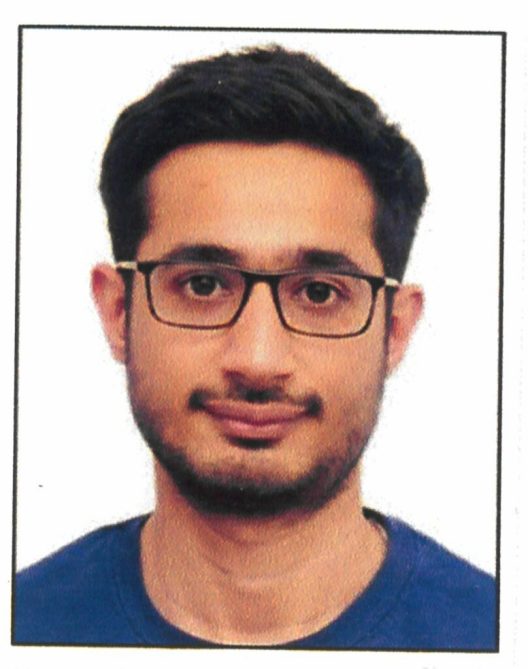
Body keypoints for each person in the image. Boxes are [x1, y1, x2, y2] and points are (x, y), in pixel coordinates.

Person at [14, 45, 495, 649]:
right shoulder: (22, 628)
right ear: (118, 312)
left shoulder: (495, 635)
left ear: (394, 329)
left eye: (319, 292)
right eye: (203, 285)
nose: (259, 360)